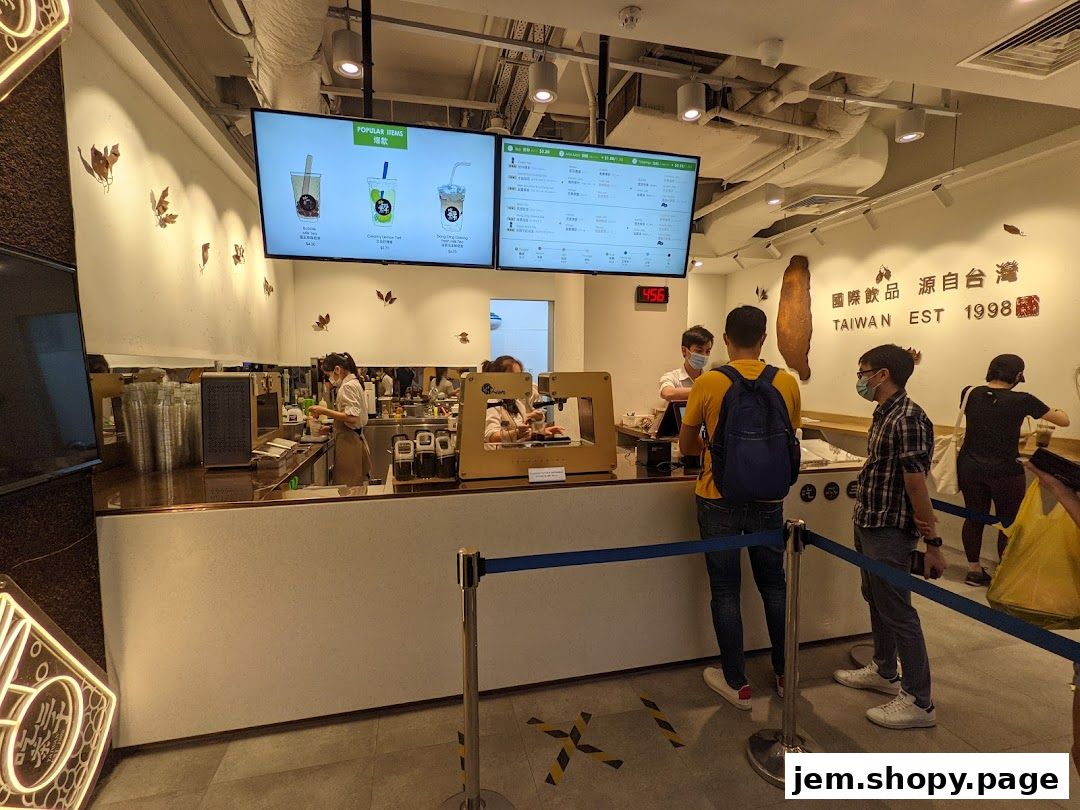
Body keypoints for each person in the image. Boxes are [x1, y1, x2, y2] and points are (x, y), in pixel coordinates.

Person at [678, 306, 801, 709]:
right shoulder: (786, 381)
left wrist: (711, 451)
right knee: (775, 586)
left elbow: (686, 445)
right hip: (769, 498)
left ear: (726, 339)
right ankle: (785, 674)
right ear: (764, 338)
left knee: (726, 589)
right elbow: (790, 436)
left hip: (718, 497)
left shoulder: (710, 381)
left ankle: (737, 682)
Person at [834, 345, 945, 729]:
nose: (859, 378)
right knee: (876, 598)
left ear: (882, 375)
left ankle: (920, 700)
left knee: (898, 610)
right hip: (868, 520)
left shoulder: (909, 418)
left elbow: (916, 486)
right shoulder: (884, 413)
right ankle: (884, 669)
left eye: (862, 371)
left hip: (890, 529)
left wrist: (933, 544)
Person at [957, 355, 1070, 586]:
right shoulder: (1024, 400)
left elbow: (987, 422)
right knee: (1008, 522)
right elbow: (1063, 421)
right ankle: (1004, 573)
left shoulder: (969, 392)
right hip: (1005, 470)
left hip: (970, 466)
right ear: (1018, 376)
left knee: (973, 516)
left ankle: (974, 570)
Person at [308, 353, 371, 485]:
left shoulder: (347, 387)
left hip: (349, 443)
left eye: (328, 375)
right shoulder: (353, 383)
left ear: (337, 369)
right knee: (353, 486)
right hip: (352, 439)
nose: (329, 379)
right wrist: (331, 428)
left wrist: (323, 410)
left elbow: (352, 418)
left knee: (348, 487)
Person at [482, 355, 563, 443]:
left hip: (516, 454)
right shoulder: (492, 403)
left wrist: (540, 432)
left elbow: (522, 433)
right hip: (498, 455)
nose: (519, 382)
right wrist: (516, 433)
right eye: (514, 378)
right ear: (498, 378)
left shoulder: (517, 403)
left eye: (520, 377)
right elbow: (491, 436)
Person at [659, 325, 714, 402]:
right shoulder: (672, 377)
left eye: (707, 351)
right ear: (684, 350)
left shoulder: (710, 380)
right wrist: (706, 391)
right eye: (699, 351)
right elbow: (668, 393)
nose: (704, 356)